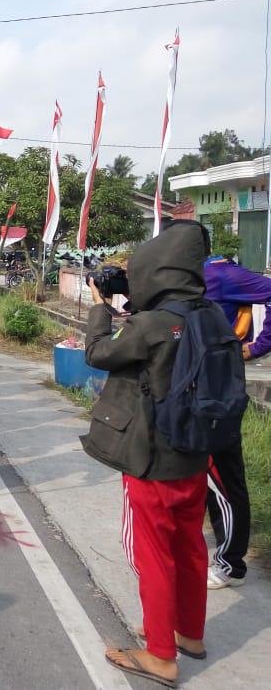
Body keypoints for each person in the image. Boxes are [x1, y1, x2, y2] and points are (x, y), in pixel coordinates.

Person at [83, 220, 211, 688]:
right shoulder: (209, 315)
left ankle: (160, 655)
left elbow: (98, 354)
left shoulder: (154, 324)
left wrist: (102, 308)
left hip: (151, 458)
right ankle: (188, 635)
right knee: (191, 547)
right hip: (196, 455)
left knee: (154, 556)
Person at [202, 253, 265, 588]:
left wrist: (259, 346)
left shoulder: (222, 273)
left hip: (221, 387)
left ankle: (231, 563)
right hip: (196, 388)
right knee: (202, 475)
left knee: (224, 478)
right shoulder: (183, 276)